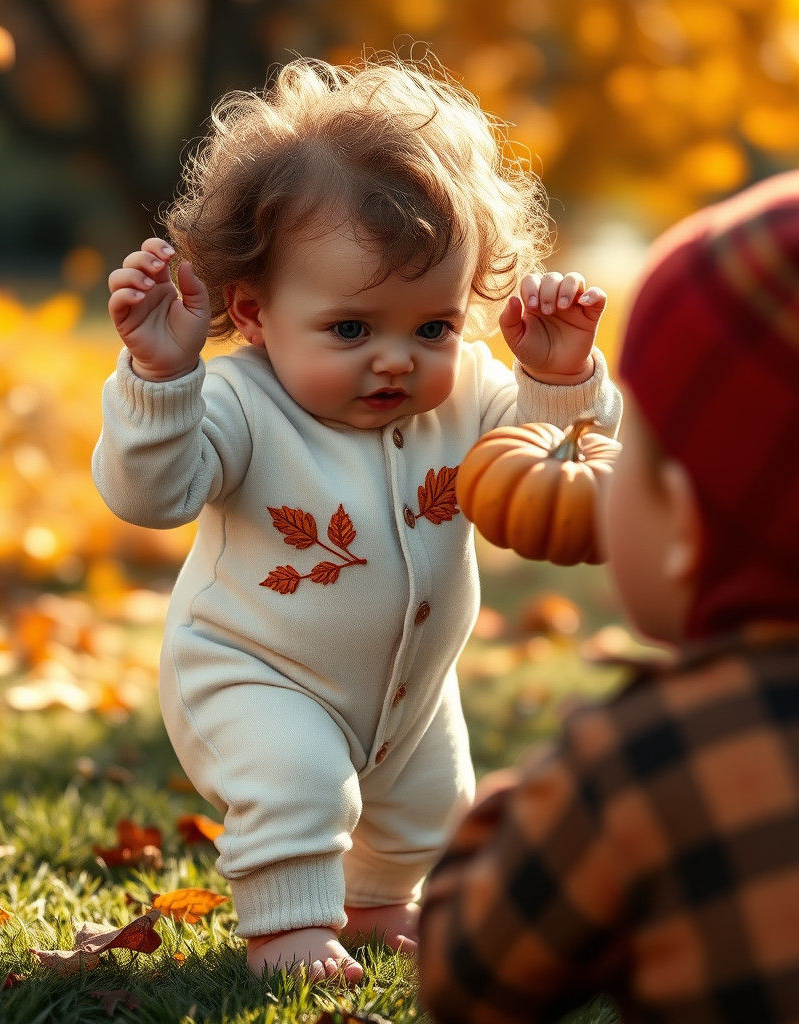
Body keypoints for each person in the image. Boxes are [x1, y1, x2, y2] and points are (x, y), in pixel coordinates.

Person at [92, 53, 622, 983]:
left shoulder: (466, 400)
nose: (395, 362)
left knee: (429, 800)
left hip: (411, 689)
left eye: (432, 328)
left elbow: (557, 472)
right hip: (254, 670)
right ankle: (288, 931)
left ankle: (378, 903)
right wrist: (161, 382)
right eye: (351, 329)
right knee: (297, 780)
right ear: (254, 312)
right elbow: (150, 496)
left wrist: (556, 376)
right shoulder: (238, 402)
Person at [418, 160, 799, 1022]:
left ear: (687, 529)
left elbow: (466, 980)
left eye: (635, 458)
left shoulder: (645, 761)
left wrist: (527, 802)